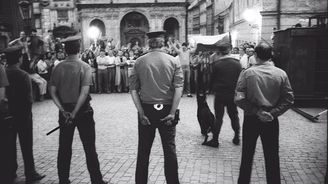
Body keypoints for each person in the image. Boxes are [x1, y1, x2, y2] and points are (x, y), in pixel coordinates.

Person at [49, 35, 107, 184]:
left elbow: (52, 91)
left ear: (65, 50)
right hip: (83, 111)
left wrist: (63, 110)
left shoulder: (58, 67)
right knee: (89, 148)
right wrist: (75, 112)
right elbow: (84, 92)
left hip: (65, 112)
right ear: (79, 48)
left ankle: (63, 180)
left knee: (64, 148)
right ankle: (96, 180)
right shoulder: (84, 66)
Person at [235, 42, 294, 184]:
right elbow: (289, 99)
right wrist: (273, 113)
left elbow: (239, 98)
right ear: (270, 56)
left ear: (255, 55)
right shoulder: (281, 74)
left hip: (251, 118)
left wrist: (256, 111)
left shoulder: (247, 73)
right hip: (271, 120)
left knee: (247, 156)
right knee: (272, 156)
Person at [130, 31, 183, 184]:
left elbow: (133, 89)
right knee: (169, 150)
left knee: (143, 151)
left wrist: (140, 112)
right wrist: (173, 112)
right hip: (167, 108)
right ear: (163, 43)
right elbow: (179, 88)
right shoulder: (173, 61)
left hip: (146, 109)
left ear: (149, 43)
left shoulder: (139, 61)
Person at [4, 46, 45, 183]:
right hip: (23, 115)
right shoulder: (23, 75)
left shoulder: (4, 73)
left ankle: (11, 172)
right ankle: (30, 172)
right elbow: (28, 99)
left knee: (10, 146)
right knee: (26, 145)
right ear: (19, 59)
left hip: (8, 115)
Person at [203, 43, 242, 148]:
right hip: (233, 93)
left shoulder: (217, 64)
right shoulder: (238, 63)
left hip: (220, 93)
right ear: (229, 51)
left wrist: (209, 90)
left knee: (218, 117)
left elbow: (212, 79)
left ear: (219, 52)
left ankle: (215, 140)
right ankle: (237, 136)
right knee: (234, 115)